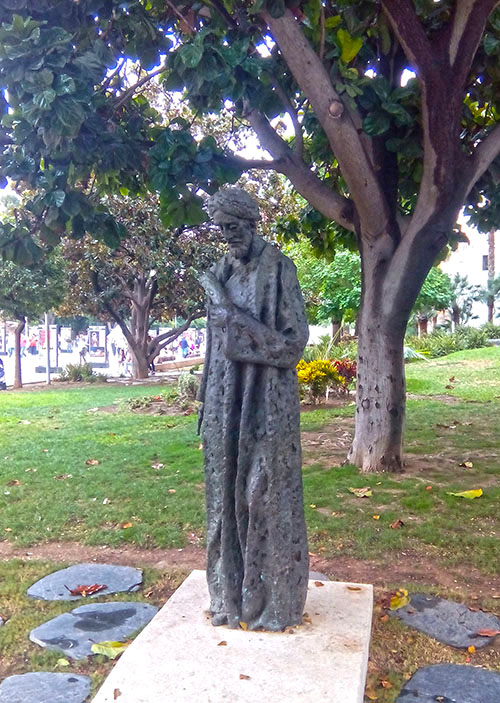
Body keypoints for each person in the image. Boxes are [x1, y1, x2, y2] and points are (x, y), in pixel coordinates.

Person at [198, 187, 309, 632]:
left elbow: (292, 344)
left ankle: (272, 604)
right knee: (222, 501)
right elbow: (212, 347)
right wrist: (206, 402)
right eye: (220, 228)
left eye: (232, 227)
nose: (226, 236)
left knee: (263, 496)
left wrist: (233, 318)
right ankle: (228, 599)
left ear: (250, 222)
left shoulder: (279, 269)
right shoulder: (219, 271)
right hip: (225, 402)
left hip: (266, 402)